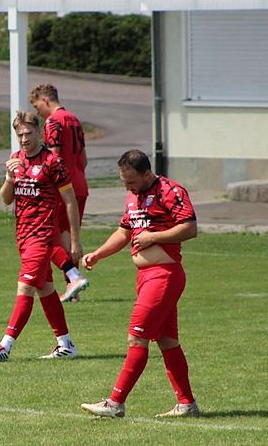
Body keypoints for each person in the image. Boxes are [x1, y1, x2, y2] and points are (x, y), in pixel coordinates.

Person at [79, 149, 200, 419]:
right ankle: (186, 404)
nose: (128, 187)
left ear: (146, 174)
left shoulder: (170, 191)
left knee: (137, 337)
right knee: (167, 341)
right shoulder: (133, 197)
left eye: (131, 181)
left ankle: (115, 403)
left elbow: (190, 228)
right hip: (146, 278)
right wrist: (98, 254)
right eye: (124, 182)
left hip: (164, 276)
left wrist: (153, 237)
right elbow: (124, 232)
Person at [0, 110, 82, 362]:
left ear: (38, 132)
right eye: (20, 135)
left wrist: (75, 240)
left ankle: (5, 346)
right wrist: (9, 177)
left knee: (25, 287)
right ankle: (65, 344)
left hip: (43, 235)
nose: (24, 139)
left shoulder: (52, 162)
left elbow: (70, 201)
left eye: (28, 133)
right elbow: (6, 199)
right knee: (45, 289)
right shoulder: (16, 159)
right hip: (23, 235)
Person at [29, 83, 90, 303]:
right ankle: (73, 287)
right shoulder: (74, 119)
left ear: (45, 100)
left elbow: (53, 157)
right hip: (80, 184)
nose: (37, 111)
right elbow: (83, 158)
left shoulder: (53, 121)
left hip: (61, 188)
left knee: (47, 236)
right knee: (68, 237)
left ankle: (73, 279)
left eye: (36, 105)